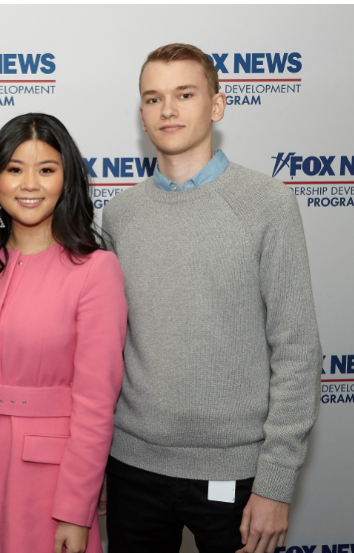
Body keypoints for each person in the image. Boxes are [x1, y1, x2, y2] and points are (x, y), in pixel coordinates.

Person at [101, 43, 322, 553]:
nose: (168, 109)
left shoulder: (268, 203)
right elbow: (105, 349)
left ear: (217, 105)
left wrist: (275, 484)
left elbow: (297, 350)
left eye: (185, 94)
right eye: (153, 98)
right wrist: (96, 465)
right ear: (142, 115)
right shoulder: (120, 214)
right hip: (132, 468)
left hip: (238, 474)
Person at [0, 113, 127, 553]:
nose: (29, 184)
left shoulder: (95, 270)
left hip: (46, 480)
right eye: (14, 169)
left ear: (67, 180)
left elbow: (96, 403)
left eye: (46, 169)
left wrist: (75, 509)